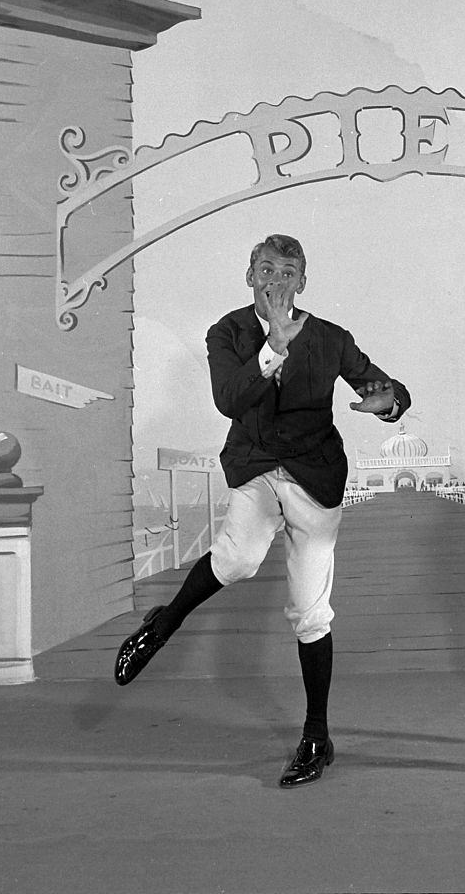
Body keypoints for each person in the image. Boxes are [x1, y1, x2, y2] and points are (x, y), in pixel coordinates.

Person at [115, 234, 411, 788]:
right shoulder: (227, 332)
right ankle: (164, 622)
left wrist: (387, 402)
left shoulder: (329, 338)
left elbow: (388, 386)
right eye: (266, 269)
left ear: (303, 281)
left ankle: (317, 735)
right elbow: (230, 399)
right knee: (238, 562)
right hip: (256, 464)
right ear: (249, 275)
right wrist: (272, 345)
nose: (276, 280)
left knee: (310, 611)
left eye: (288, 271)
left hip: (314, 475)